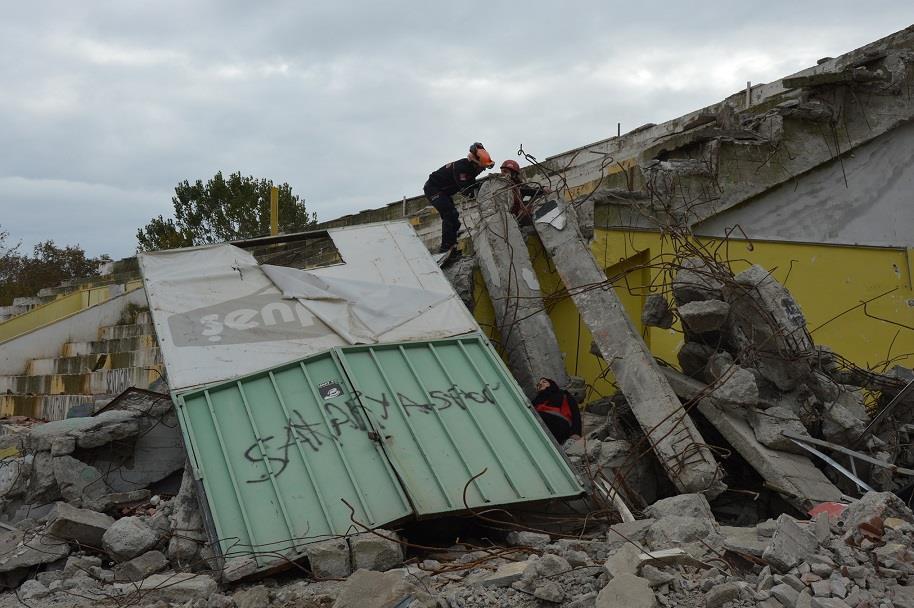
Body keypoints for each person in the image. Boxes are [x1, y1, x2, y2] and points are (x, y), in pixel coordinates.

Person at [423, 142, 494, 254]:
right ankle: (446, 248)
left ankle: (452, 241)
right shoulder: (462, 168)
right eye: (482, 168)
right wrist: (481, 192)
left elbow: (472, 185)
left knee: (454, 220)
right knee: (449, 214)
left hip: (443, 192)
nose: (483, 170)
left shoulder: (470, 170)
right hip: (433, 189)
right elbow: (466, 190)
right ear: (475, 163)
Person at [532, 377, 582, 444]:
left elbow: (576, 413)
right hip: (541, 420)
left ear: (552, 384)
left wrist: (576, 433)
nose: (540, 384)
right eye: (538, 384)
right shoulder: (536, 400)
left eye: (544, 382)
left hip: (560, 423)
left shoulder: (563, 394)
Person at [499, 159, 549, 224]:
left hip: (516, 219)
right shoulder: (497, 185)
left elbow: (529, 190)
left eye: (506, 171)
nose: (503, 174)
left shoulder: (518, 186)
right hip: (503, 220)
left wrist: (542, 189)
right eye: (502, 171)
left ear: (514, 174)